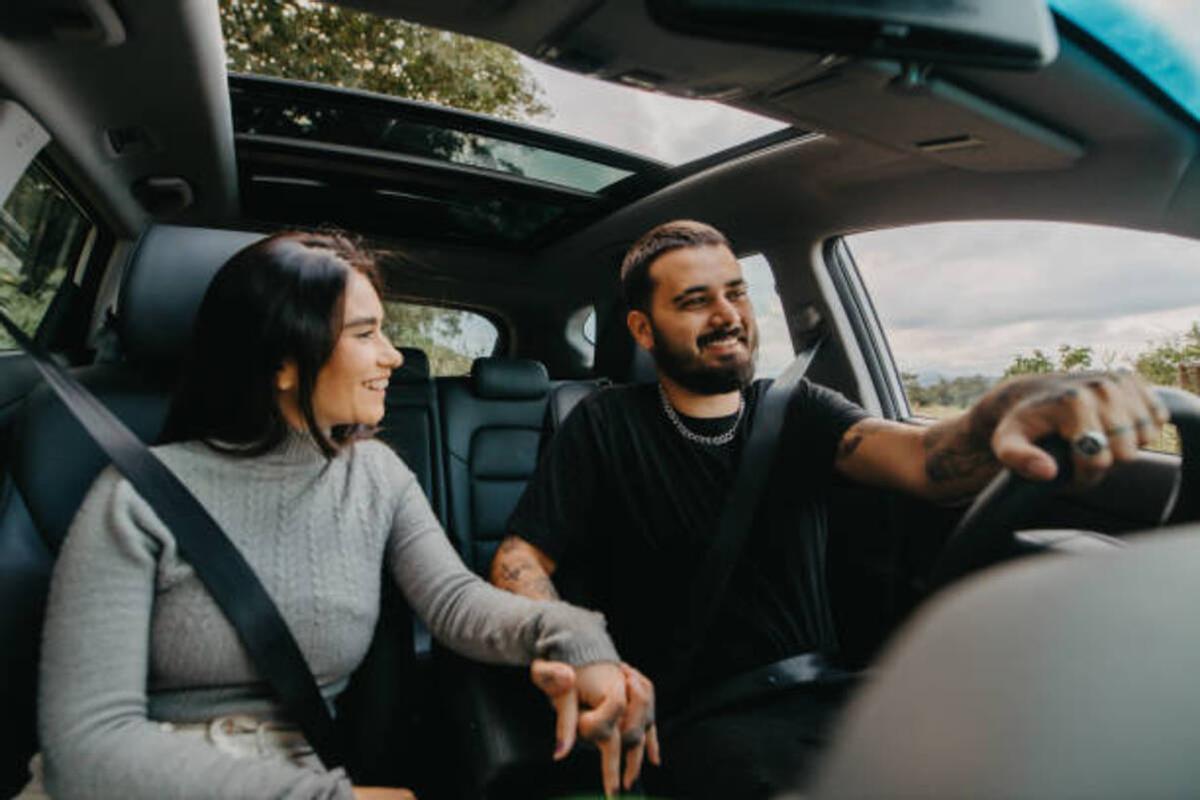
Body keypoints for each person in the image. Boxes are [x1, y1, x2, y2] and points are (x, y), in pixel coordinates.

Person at [490, 219, 1170, 798]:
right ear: (643, 328)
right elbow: (519, 560)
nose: (727, 315)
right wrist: (585, 652)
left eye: (735, 292)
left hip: (834, 692)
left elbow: (924, 459)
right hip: (695, 719)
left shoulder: (798, 410)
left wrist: (1000, 411)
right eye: (695, 301)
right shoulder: (602, 422)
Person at [29, 231, 639, 800]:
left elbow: (455, 603)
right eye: (365, 333)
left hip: (300, 767)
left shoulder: (376, 476)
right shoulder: (133, 498)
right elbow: (86, 748)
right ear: (282, 362)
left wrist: (575, 636)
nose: (393, 356)